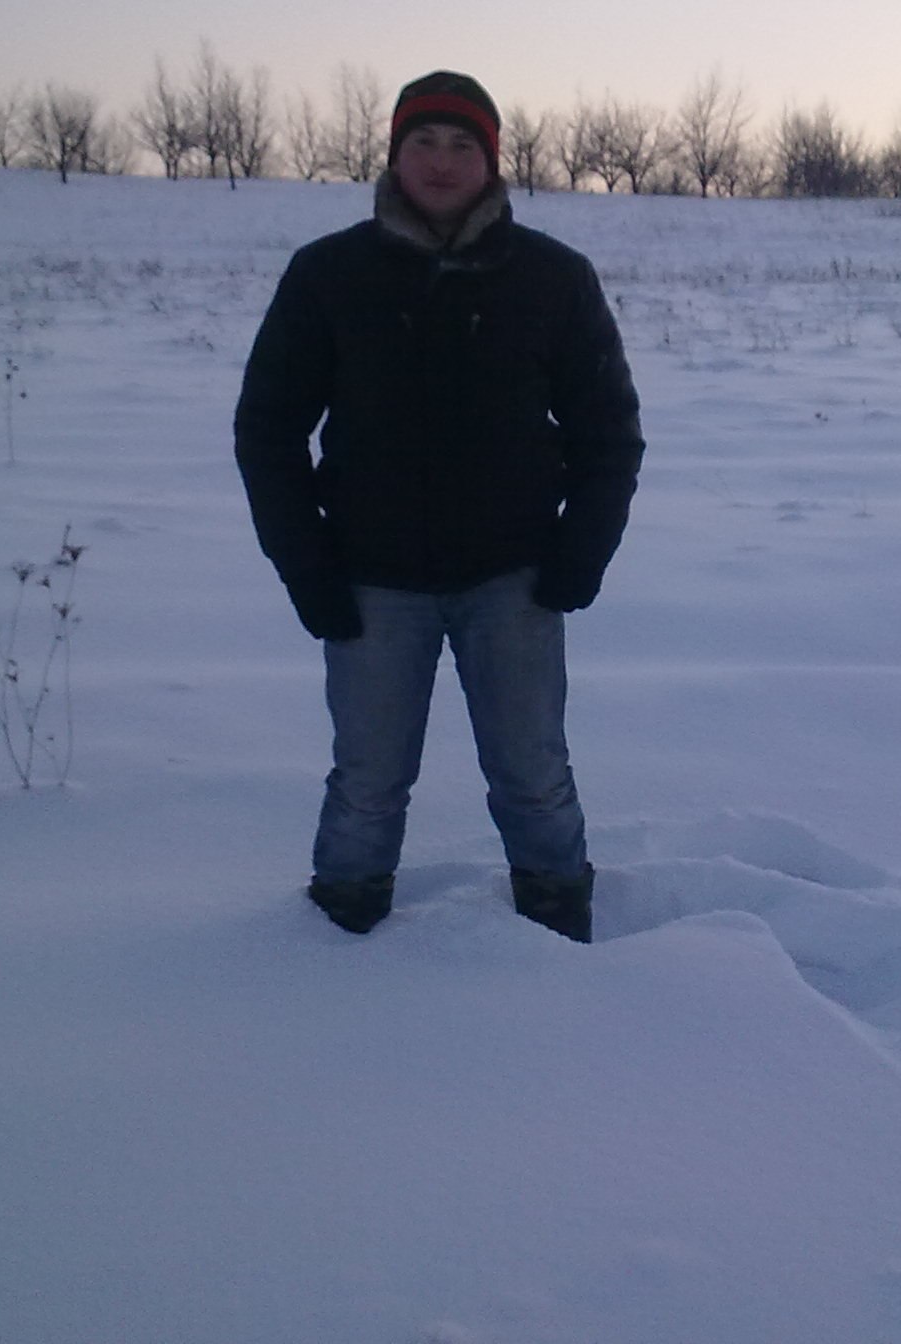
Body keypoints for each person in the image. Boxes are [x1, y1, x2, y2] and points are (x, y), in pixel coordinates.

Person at [234, 70, 643, 942]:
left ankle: (559, 928)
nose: (443, 161)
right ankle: (338, 939)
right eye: (424, 141)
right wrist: (309, 569)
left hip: (514, 580)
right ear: (395, 153)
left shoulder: (552, 278)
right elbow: (268, 433)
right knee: (368, 782)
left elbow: (609, 432)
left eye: (463, 144)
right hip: (371, 583)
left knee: (534, 775)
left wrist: (578, 556)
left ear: (491, 161)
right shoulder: (328, 274)